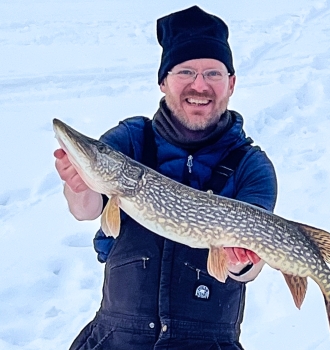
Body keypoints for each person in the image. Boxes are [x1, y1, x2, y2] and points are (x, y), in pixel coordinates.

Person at [54, 6, 277, 350]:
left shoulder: (252, 166)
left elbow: (247, 271)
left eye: (213, 74)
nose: (199, 85)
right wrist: (77, 181)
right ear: (163, 81)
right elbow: (85, 209)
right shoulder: (132, 139)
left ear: (231, 83)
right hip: (118, 338)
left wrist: (242, 262)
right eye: (185, 71)